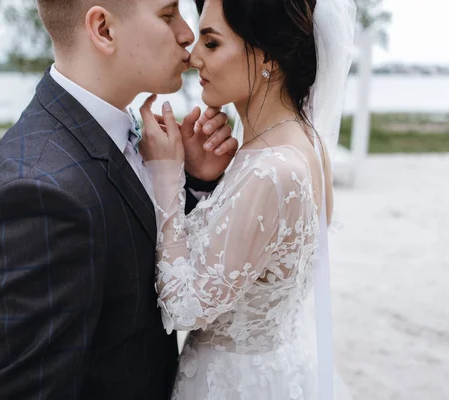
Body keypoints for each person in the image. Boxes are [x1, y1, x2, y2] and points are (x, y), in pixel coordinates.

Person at [0, 1, 238, 399]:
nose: (187, 34)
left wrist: (192, 179)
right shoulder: (37, 193)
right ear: (104, 30)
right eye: (168, 15)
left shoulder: (110, 133)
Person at [139, 0, 356, 398]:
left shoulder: (271, 170)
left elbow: (184, 308)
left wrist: (166, 174)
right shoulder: (305, 143)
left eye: (212, 44)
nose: (192, 57)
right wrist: (204, 179)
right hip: (279, 366)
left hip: (233, 383)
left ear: (267, 55)